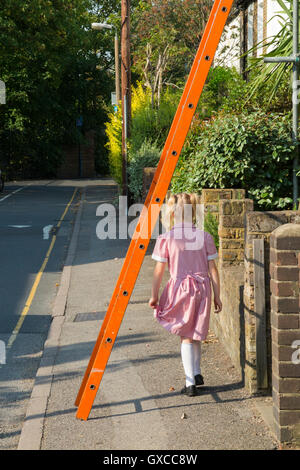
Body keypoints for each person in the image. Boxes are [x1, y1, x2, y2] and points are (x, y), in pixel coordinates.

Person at [149, 193, 222, 397]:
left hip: (181, 289)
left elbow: (158, 271)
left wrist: (154, 295)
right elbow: (213, 269)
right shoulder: (204, 236)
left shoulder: (166, 238)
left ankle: (190, 382)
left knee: (185, 336)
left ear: (171, 213)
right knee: (196, 332)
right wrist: (218, 295)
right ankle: (197, 373)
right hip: (203, 288)